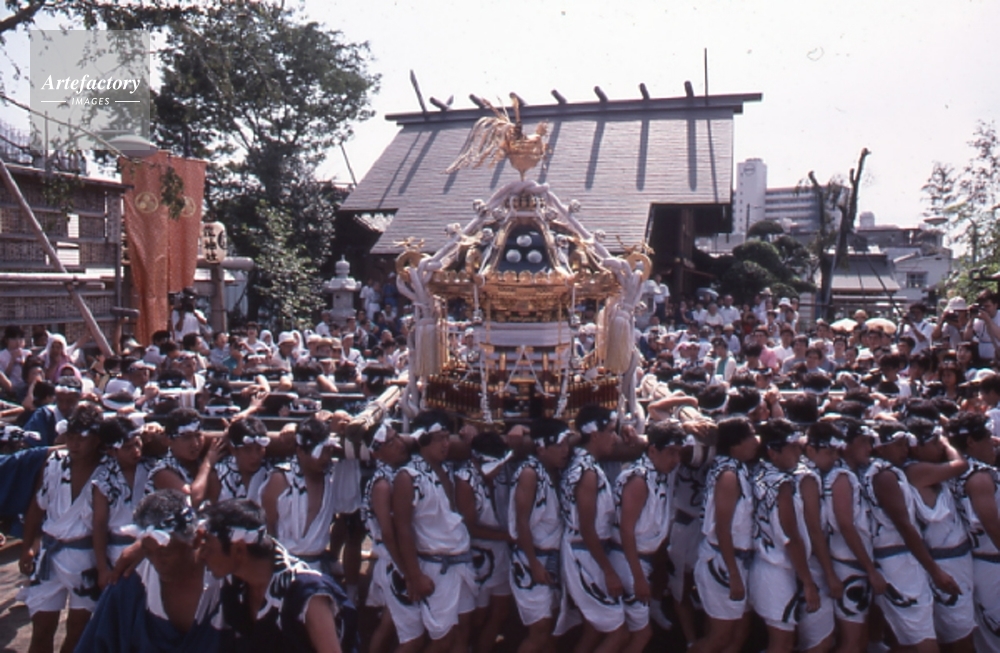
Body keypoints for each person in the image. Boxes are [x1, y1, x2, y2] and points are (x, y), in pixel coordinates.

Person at [200, 498, 357, 653]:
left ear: (239, 550)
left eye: (209, 548)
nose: (202, 555)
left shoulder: (306, 595)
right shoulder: (234, 586)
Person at [77, 489, 224, 652]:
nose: (157, 562)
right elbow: (96, 643)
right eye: (148, 552)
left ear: (195, 540)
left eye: (165, 552)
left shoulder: (225, 582)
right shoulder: (132, 583)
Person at [862, 422, 960, 652]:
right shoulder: (885, 476)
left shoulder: (888, 471)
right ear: (881, 447)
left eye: (906, 444)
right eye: (898, 445)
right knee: (925, 643)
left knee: (905, 641)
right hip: (898, 563)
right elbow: (904, 526)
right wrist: (935, 571)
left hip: (900, 561)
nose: (904, 450)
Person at [19, 403, 104, 653]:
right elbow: (37, 507)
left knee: (78, 630)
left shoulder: (109, 469)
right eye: (70, 437)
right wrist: (27, 547)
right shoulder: (55, 462)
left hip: (87, 559)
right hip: (50, 553)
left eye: (82, 439)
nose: (74, 444)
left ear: (97, 440)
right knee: (41, 629)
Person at [391, 410, 475, 652]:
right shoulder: (408, 477)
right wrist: (414, 575)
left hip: (461, 561)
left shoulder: (447, 467)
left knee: (463, 630)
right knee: (442, 639)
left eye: (448, 438)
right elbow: (403, 529)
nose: (446, 444)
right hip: (436, 565)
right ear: (423, 439)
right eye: (439, 439)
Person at [556, 404, 627, 653]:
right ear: (595, 435)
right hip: (585, 556)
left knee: (593, 629)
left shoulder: (581, 464)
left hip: (585, 553)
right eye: (611, 431)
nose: (615, 438)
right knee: (619, 632)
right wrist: (609, 571)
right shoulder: (587, 473)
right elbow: (588, 529)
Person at [609, 420, 685, 653]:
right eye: (671, 453)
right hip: (629, 562)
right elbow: (626, 530)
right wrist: (638, 577)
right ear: (653, 451)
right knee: (641, 634)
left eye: (679, 453)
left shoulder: (658, 473)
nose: (676, 459)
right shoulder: (639, 480)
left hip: (639, 562)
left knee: (628, 634)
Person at [749, 419, 822, 653]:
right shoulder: (781, 484)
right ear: (773, 452)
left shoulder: (760, 473)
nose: (798, 452)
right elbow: (790, 536)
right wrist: (808, 582)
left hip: (769, 567)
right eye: (792, 447)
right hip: (776, 570)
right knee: (781, 644)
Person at [904, 417, 976, 652]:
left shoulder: (929, 468)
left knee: (962, 629)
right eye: (933, 443)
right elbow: (960, 464)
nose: (939, 448)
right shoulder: (915, 469)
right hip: (946, 561)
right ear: (917, 447)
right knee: (959, 634)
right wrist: (947, 443)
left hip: (958, 558)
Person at [691, 417, 758, 653]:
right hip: (723, 562)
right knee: (720, 638)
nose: (755, 441)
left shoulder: (736, 468)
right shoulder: (728, 475)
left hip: (740, 560)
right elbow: (722, 528)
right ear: (735, 444)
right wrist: (733, 574)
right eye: (750, 436)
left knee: (739, 633)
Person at [817, 418, 885, 653]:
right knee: (852, 643)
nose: (869, 448)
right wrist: (870, 569)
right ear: (846, 445)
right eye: (863, 442)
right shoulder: (841, 477)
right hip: (849, 567)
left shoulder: (847, 473)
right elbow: (845, 525)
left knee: (860, 640)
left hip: (853, 565)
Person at [508, 418, 572, 653]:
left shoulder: (552, 471)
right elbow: (522, 523)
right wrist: (534, 563)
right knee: (540, 629)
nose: (566, 451)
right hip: (531, 560)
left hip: (552, 560)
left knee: (552, 628)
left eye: (567, 444)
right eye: (560, 445)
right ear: (542, 448)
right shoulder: (529, 473)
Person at [455, 430, 514, 653]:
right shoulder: (464, 481)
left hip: (502, 553)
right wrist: (508, 536)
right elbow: (470, 528)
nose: (497, 470)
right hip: (478, 556)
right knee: (477, 617)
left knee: (500, 612)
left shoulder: (501, 470)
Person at [946, 411, 1000, 652]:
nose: (992, 442)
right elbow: (992, 525)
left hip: (980, 561)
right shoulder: (978, 477)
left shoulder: (955, 470)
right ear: (971, 442)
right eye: (987, 437)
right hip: (992, 564)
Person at [260, 418, 338, 571]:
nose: (325, 457)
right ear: (300, 452)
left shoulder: (332, 476)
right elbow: (269, 525)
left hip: (318, 565)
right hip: (284, 564)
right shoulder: (281, 478)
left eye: (329, 451)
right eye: (320, 452)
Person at [361, 422, 412, 653]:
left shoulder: (396, 473)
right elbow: (388, 533)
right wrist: (407, 572)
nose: (399, 444)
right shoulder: (382, 483)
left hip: (397, 559)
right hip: (393, 562)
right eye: (390, 443)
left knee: (390, 625)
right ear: (377, 452)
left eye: (397, 438)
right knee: (404, 633)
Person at [92, 417, 155, 590]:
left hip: (152, 550)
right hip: (117, 554)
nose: (135, 451)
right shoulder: (103, 480)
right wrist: (102, 568)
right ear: (112, 451)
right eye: (127, 448)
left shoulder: (154, 469)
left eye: (137, 444)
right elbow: (99, 525)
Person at [146, 408, 220, 507]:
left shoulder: (199, 460)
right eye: (187, 437)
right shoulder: (162, 471)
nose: (195, 443)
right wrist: (207, 464)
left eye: (198, 435)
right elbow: (192, 502)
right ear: (169, 440)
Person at [211, 417, 273, 504]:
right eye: (247, 450)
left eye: (259, 449)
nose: (255, 456)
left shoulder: (271, 473)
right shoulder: (219, 473)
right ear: (233, 450)